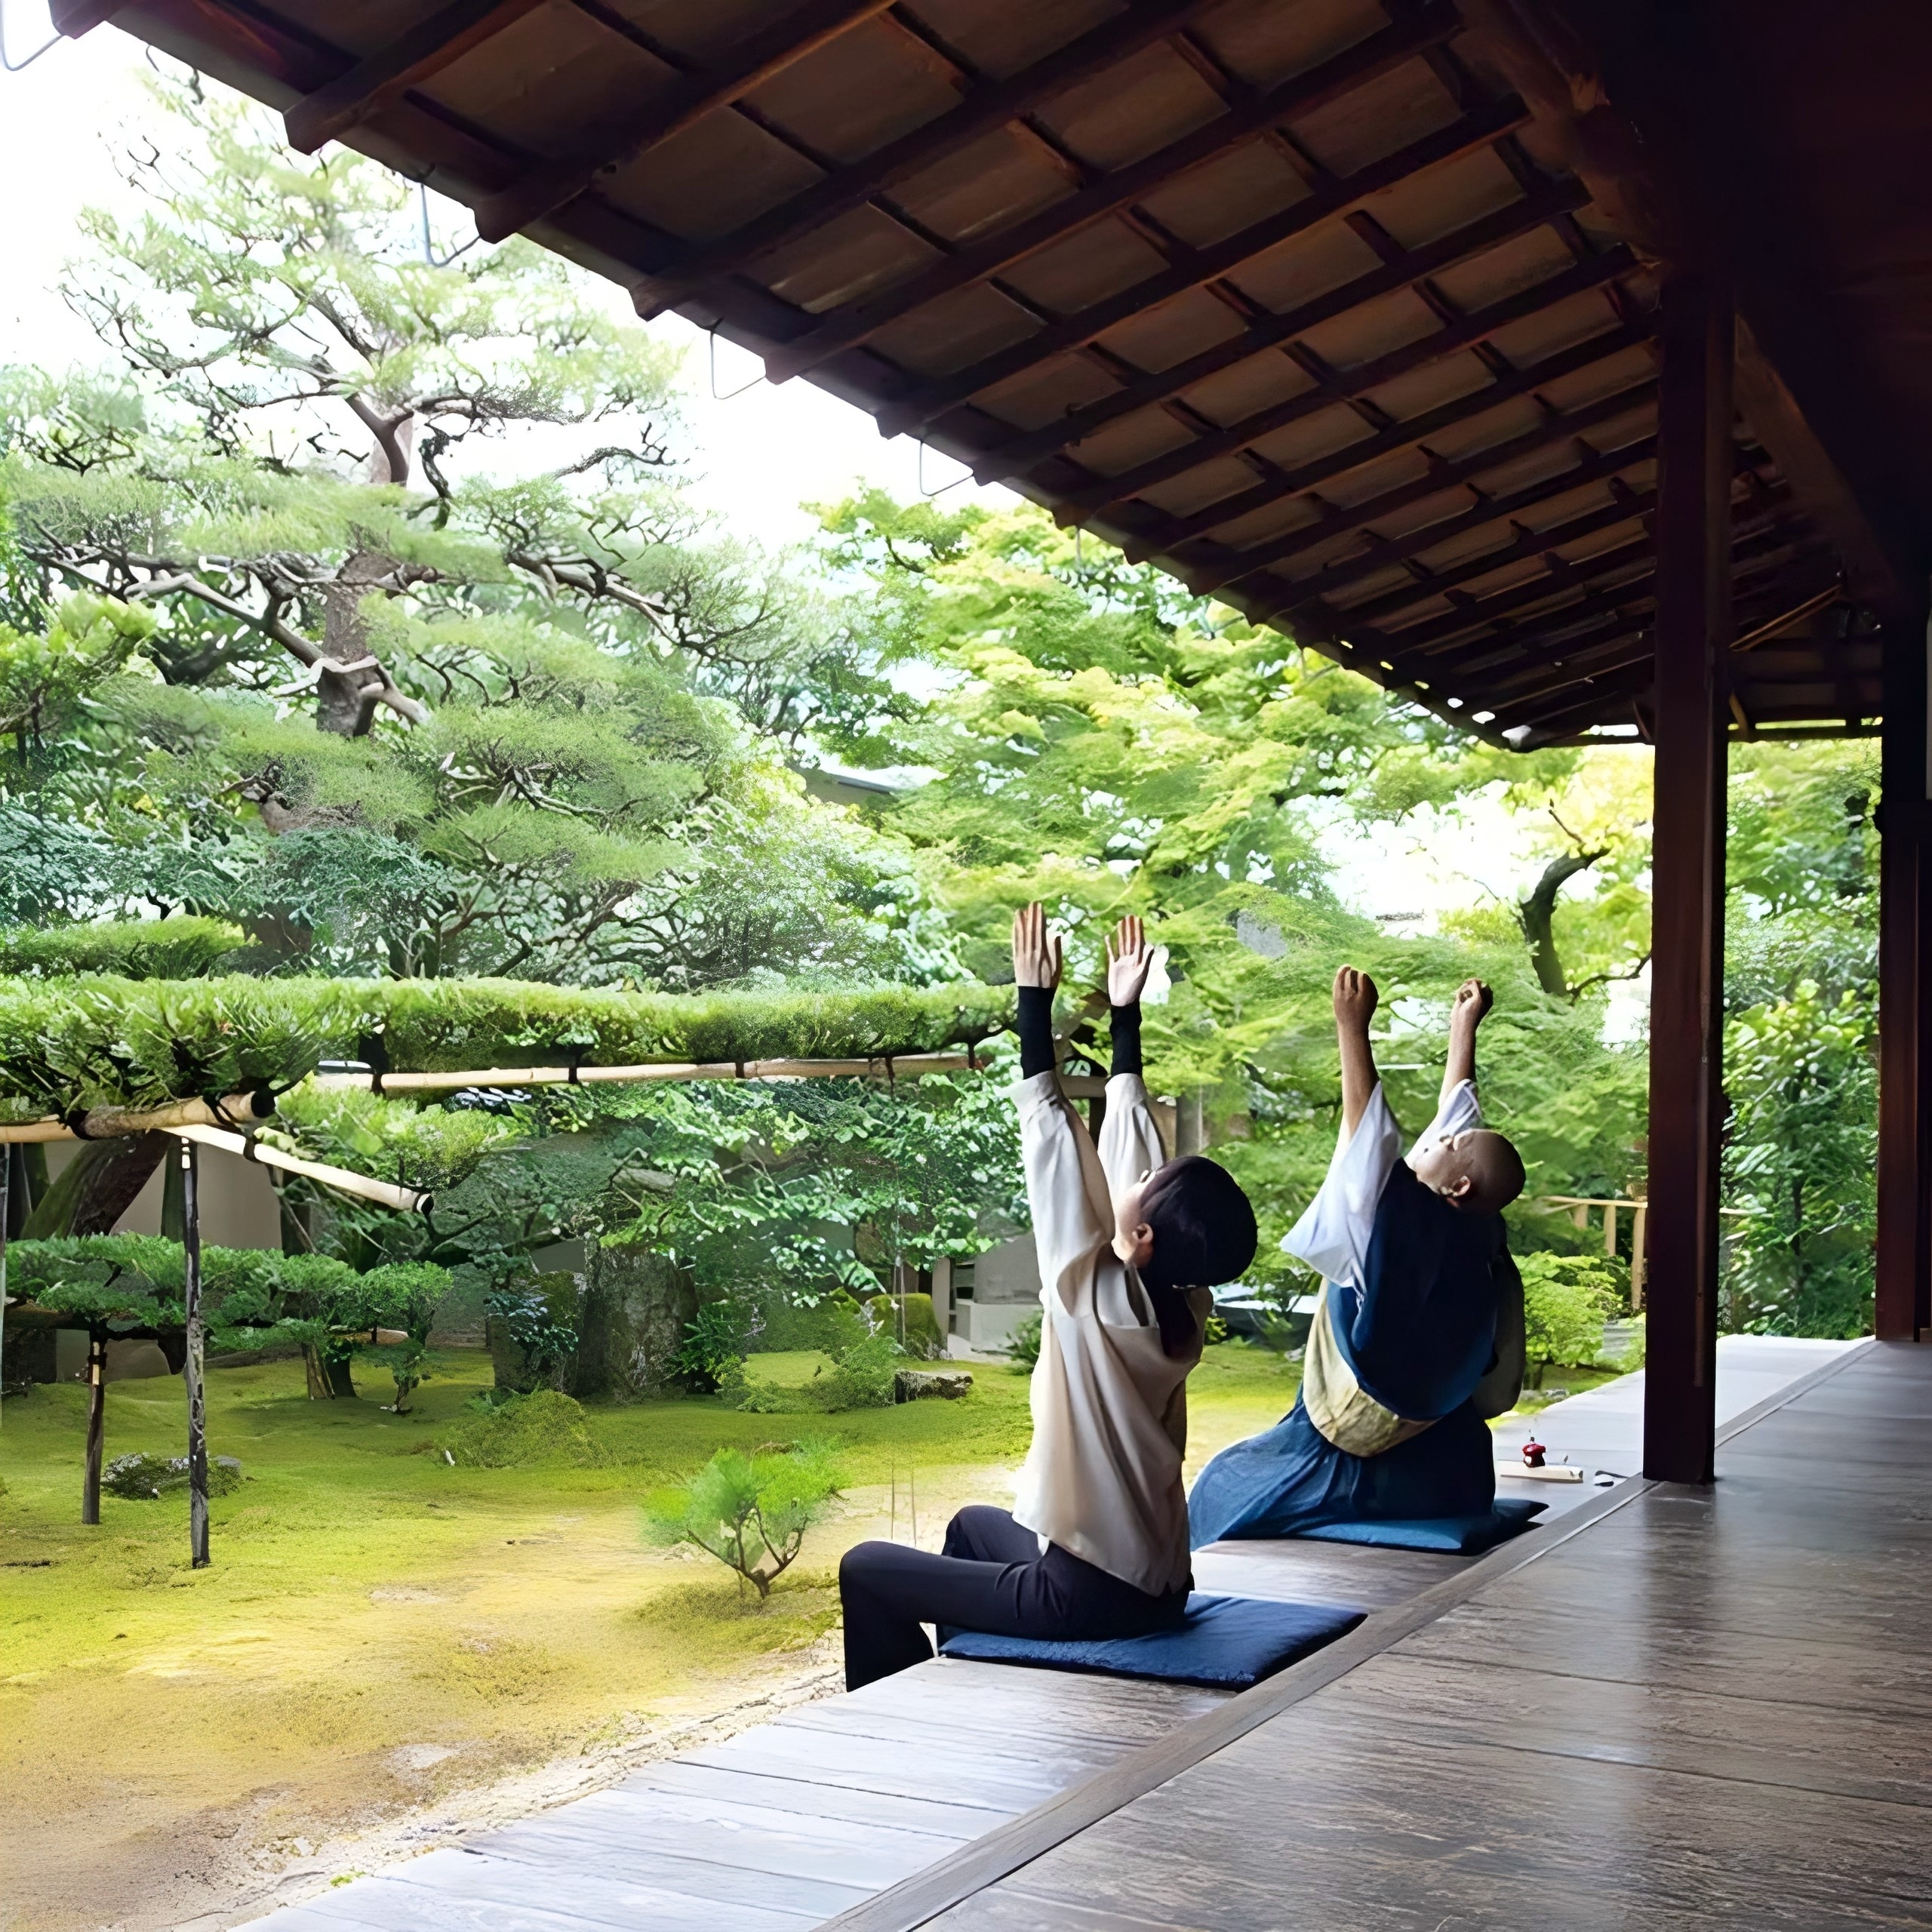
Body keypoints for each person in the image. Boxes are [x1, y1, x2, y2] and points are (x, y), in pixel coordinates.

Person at [838, 906, 1259, 1692]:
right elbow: (1130, 1152)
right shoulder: (1179, 1304)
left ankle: (892, 1726)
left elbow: (1060, 1160)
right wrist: (1125, 1017)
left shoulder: (1095, 1303)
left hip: (1091, 1595)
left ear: (1143, 1240)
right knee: (969, 1526)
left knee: (865, 1567)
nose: (1134, 1177)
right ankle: (990, 1685)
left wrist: (1033, 1004)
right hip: (1153, 1584)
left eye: (1144, 1191)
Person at [1187, 969, 1527, 1547]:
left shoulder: (1405, 1226)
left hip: (1354, 1417)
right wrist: (1462, 1028)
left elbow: (1369, 1134)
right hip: (1441, 1433)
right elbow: (1459, 1123)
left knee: (1222, 1484)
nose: (1441, 1136)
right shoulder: (1478, 1232)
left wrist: (1352, 1027)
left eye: (1448, 1146)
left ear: (1458, 1187)